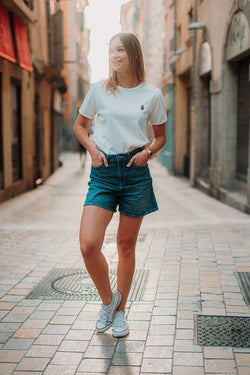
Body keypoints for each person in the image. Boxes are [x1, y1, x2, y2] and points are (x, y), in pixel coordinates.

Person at [73, 32, 167, 338]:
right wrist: (92, 149)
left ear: (134, 55)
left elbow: (160, 136)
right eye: (112, 50)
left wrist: (148, 153)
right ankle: (109, 302)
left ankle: (121, 313)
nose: (115, 55)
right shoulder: (99, 91)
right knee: (89, 244)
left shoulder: (151, 95)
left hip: (135, 172)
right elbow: (79, 125)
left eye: (121, 50)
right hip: (103, 172)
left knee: (125, 245)